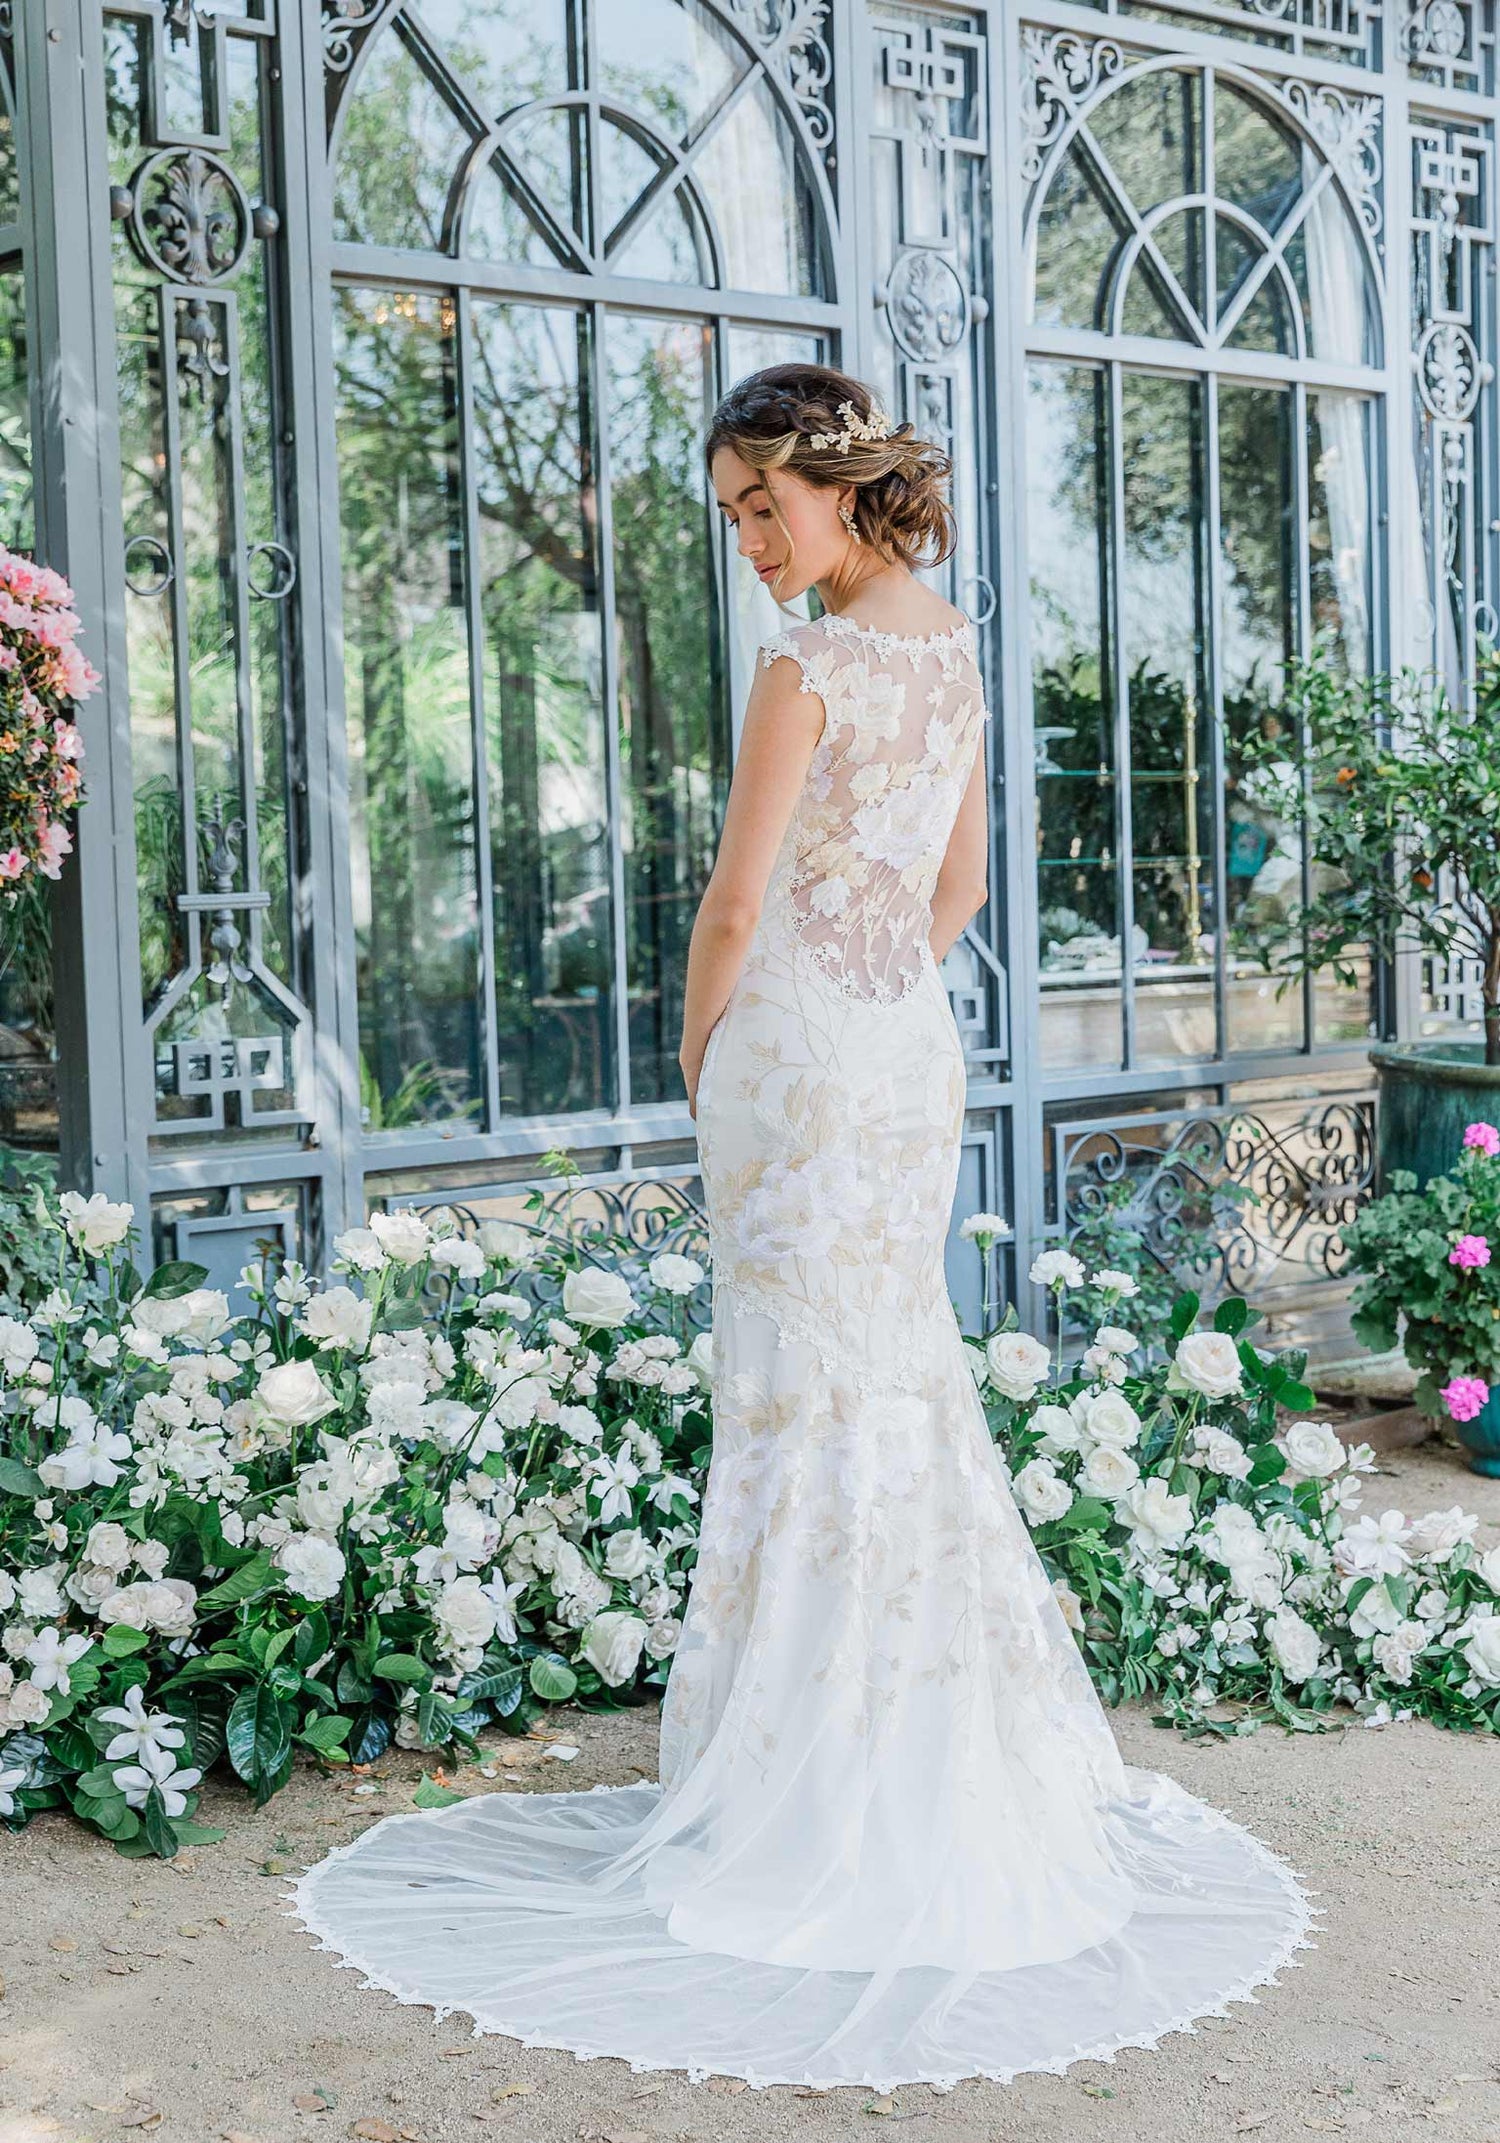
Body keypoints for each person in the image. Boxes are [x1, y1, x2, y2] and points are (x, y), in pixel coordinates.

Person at [286, 365, 1318, 2093]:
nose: (754, 540)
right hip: (906, 1054)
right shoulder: (956, 648)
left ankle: (797, 1776)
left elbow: (736, 899)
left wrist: (707, 1049)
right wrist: (877, 988)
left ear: (843, 485)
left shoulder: (807, 667)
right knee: (887, 1385)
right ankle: (915, 1750)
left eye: (769, 502)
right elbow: (967, 889)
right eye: (733, 517)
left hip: (793, 1057)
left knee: (794, 1396)